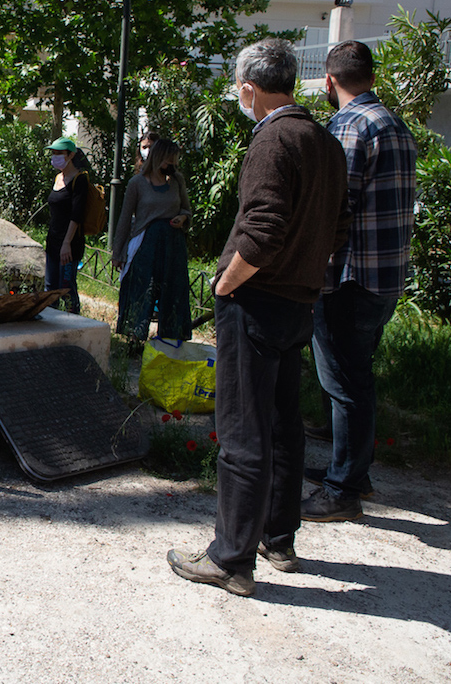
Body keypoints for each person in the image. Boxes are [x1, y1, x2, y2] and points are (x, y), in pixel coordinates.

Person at [167, 38, 350, 597]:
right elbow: (338, 229)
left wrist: (226, 283)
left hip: (258, 298)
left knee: (245, 429)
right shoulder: (324, 141)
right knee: (282, 424)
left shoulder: (273, 138)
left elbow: (263, 227)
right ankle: (278, 537)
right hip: (300, 300)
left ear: (250, 88)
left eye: (239, 91)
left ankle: (230, 558)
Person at [302, 40, 417, 522]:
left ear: (330, 81)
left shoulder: (348, 127)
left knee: (343, 383)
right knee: (358, 377)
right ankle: (355, 472)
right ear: (371, 76)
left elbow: (334, 209)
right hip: (386, 276)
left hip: (348, 276)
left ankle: (343, 489)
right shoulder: (395, 124)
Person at [111, 137, 193, 341]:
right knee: (141, 291)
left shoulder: (177, 181)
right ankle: (134, 340)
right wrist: (118, 251)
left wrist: (182, 218)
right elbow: (124, 219)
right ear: (157, 158)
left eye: (175, 162)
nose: (171, 166)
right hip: (146, 246)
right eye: (168, 161)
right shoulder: (137, 183)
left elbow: (186, 209)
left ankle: (171, 340)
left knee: (172, 292)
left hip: (173, 247)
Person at [43, 137, 89, 315]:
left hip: (69, 243)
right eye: (53, 153)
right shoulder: (57, 178)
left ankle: (74, 324)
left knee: (67, 287)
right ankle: (49, 323)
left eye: (59, 153)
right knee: (51, 287)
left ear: (71, 155)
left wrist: (67, 243)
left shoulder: (79, 180)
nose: (55, 157)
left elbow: (76, 215)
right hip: (53, 241)